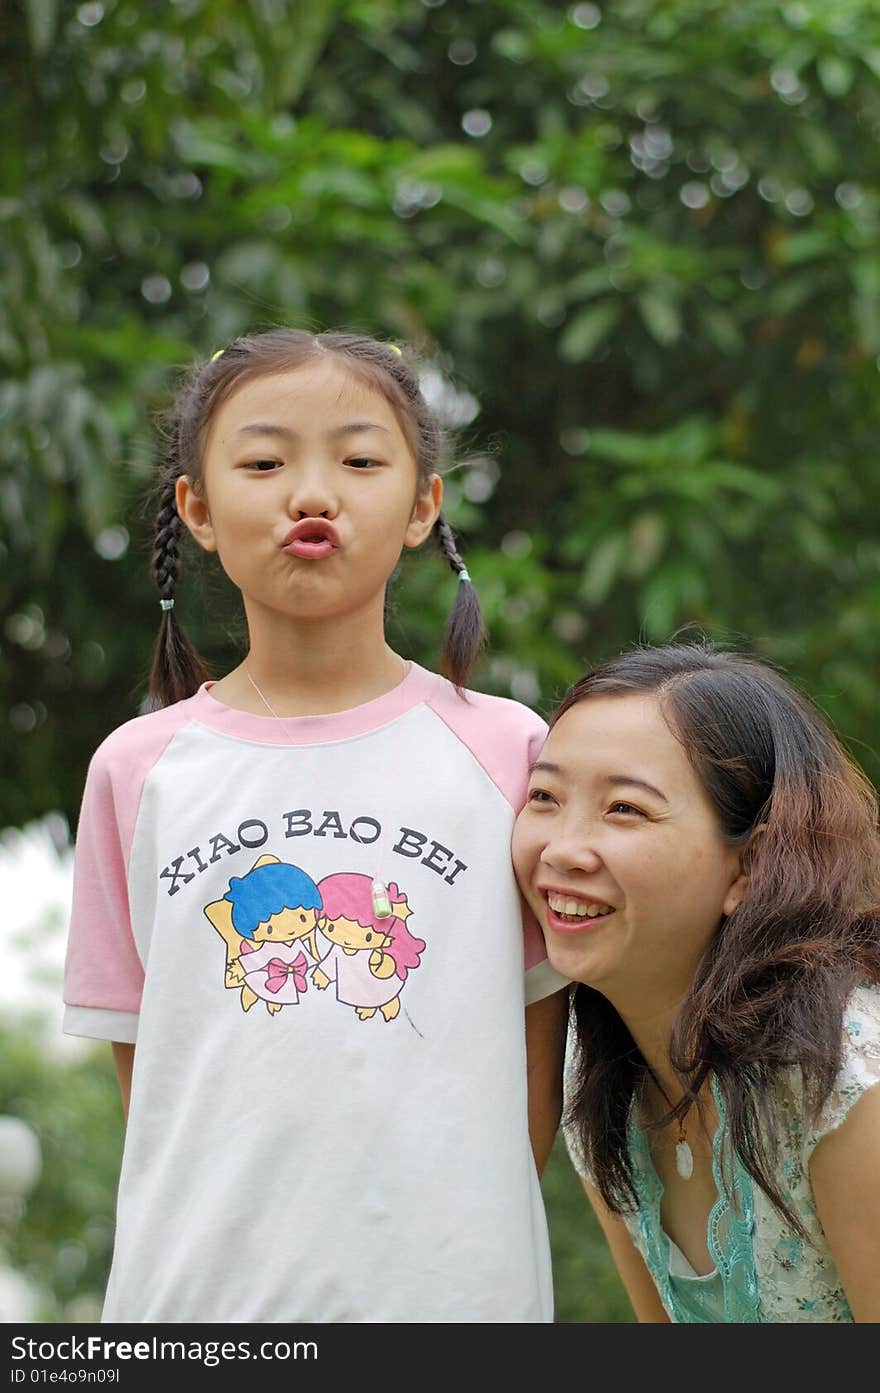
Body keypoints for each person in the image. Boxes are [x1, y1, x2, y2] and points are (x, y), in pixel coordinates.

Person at [63, 328, 568, 1323]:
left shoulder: (511, 753)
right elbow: (158, 1094)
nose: (310, 492)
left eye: (359, 459)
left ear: (423, 504)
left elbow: (535, 1076)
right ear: (197, 511)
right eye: (262, 461)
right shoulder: (137, 771)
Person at [512, 640, 880, 1323]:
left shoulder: (848, 1078)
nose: (561, 847)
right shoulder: (592, 1083)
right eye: (544, 796)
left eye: (624, 808)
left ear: (751, 865)